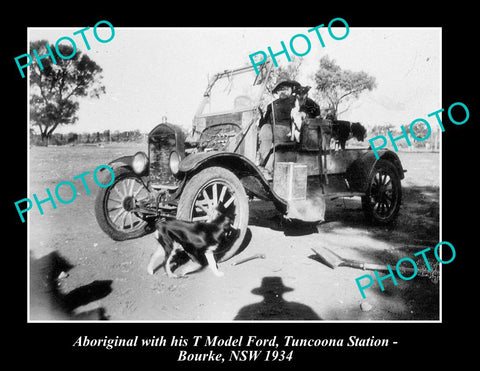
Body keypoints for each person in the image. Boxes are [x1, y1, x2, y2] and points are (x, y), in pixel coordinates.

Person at [257, 81, 299, 178]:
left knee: (271, 131)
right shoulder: (271, 105)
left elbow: (310, 107)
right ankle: (262, 162)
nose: (283, 91)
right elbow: (263, 122)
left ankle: (267, 168)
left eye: (286, 89)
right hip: (270, 130)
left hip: (285, 129)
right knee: (265, 128)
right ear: (277, 92)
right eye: (281, 89)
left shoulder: (294, 100)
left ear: (291, 90)